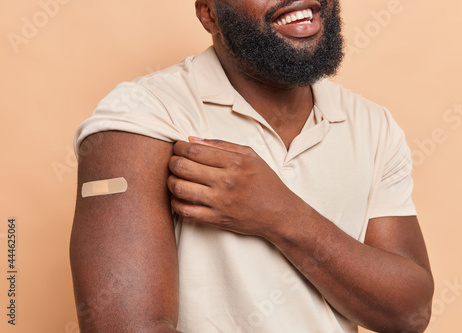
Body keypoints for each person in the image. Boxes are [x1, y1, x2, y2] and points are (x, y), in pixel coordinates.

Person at [70, 0, 434, 332]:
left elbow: (408, 313)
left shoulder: (373, 124)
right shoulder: (143, 115)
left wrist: (282, 215)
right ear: (208, 13)